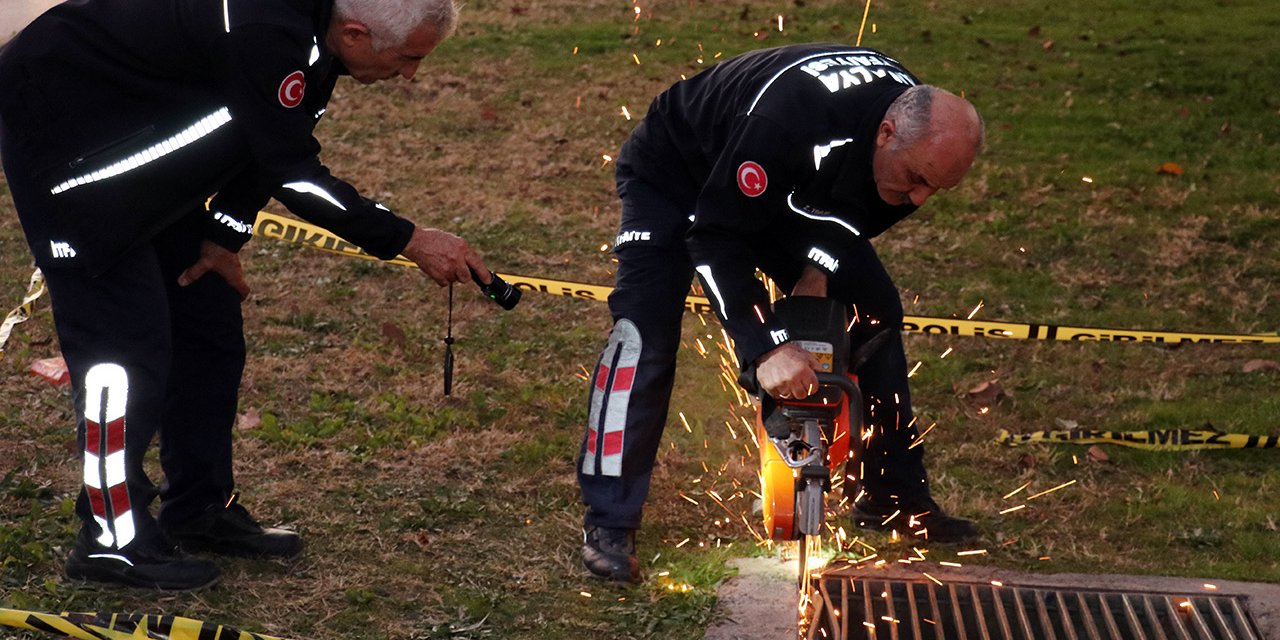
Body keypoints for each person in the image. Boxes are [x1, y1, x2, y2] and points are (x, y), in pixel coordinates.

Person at [0, 0, 491, 590]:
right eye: (408, 58)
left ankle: (199, 508)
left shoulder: (320, 34)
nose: (411, 75)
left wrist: (222, 235)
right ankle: (110, 538)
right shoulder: (265, 30)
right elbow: (292, 168)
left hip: (148, 151)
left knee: (208, 327)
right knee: (123, 357)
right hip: (71, 151)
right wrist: (408, 239)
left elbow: (273, 134)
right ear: (357, 33)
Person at [577, 43, 985, 583]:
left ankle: (891, 494)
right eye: (916, 178)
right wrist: (764, 346)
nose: (919, 199)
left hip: (782, 187)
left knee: (875, 308)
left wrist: (815, 273)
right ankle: (609, 521)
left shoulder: (907, 130)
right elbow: (715, 237)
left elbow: (853, 217)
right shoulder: (788, 121)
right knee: (644, 330)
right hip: (678, 175)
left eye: (938, 187)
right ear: (886, 133)